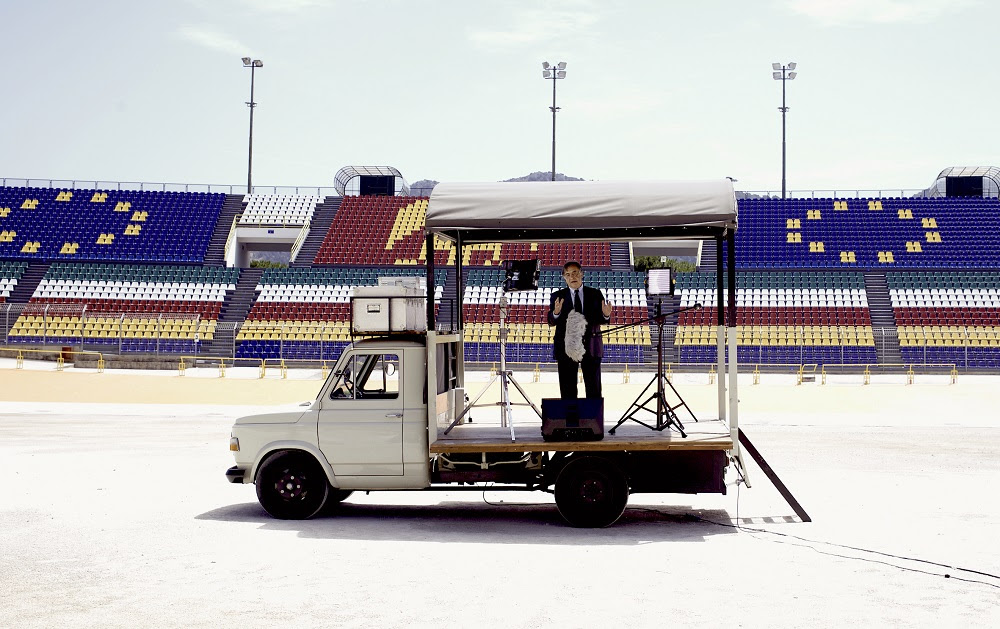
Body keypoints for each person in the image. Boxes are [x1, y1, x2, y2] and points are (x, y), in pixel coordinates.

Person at [547, 261, 613, 399]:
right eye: (568, 274)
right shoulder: (557, 296)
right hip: (566, 349)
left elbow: (601, 319)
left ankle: (593, 421)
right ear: (564, 278)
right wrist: (556, 313)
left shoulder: (595, 294)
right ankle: (571, 420)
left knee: (594, 390)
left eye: (575, 273)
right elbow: (551, 321)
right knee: (567, 391)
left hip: (591, 348)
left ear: (582, 274)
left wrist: (606, 314)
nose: (572, 277)